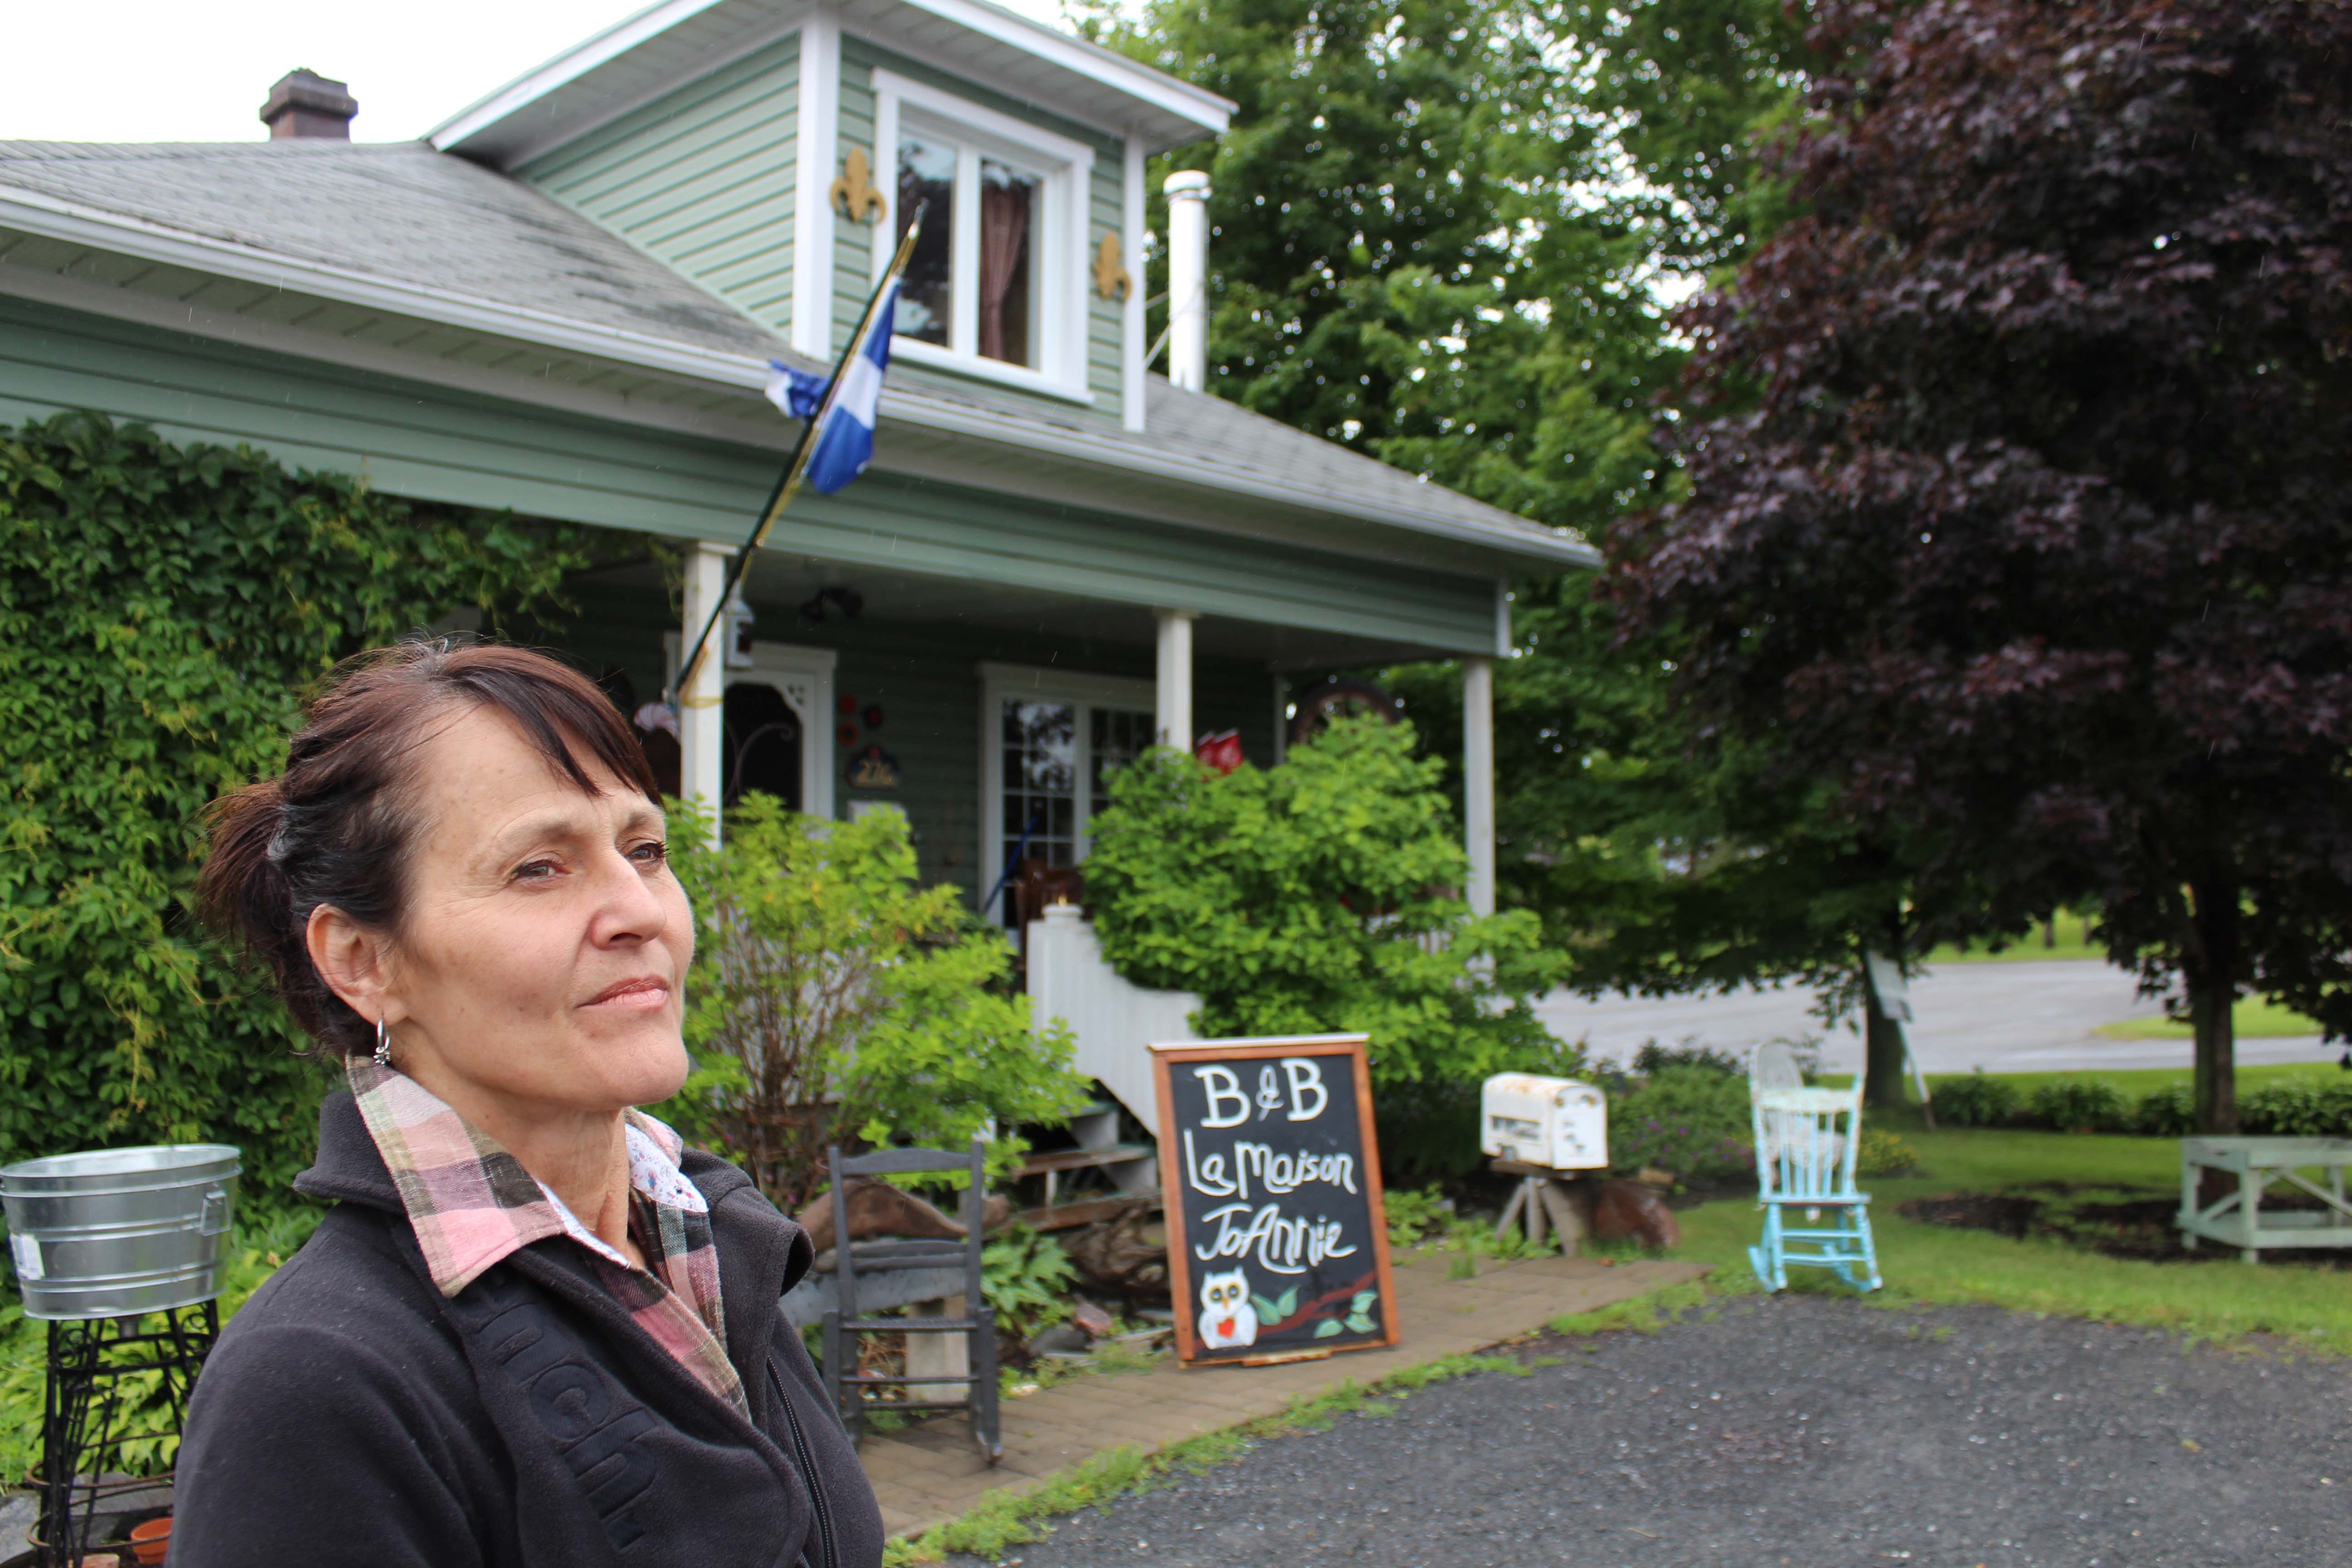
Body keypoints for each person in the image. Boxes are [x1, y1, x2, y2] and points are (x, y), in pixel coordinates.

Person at [173, 640, 883, 1568]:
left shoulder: (708, 1244)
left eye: (645, 849)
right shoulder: (322, 1387)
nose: (641, 910)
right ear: (362, 961)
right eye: (539, 868)